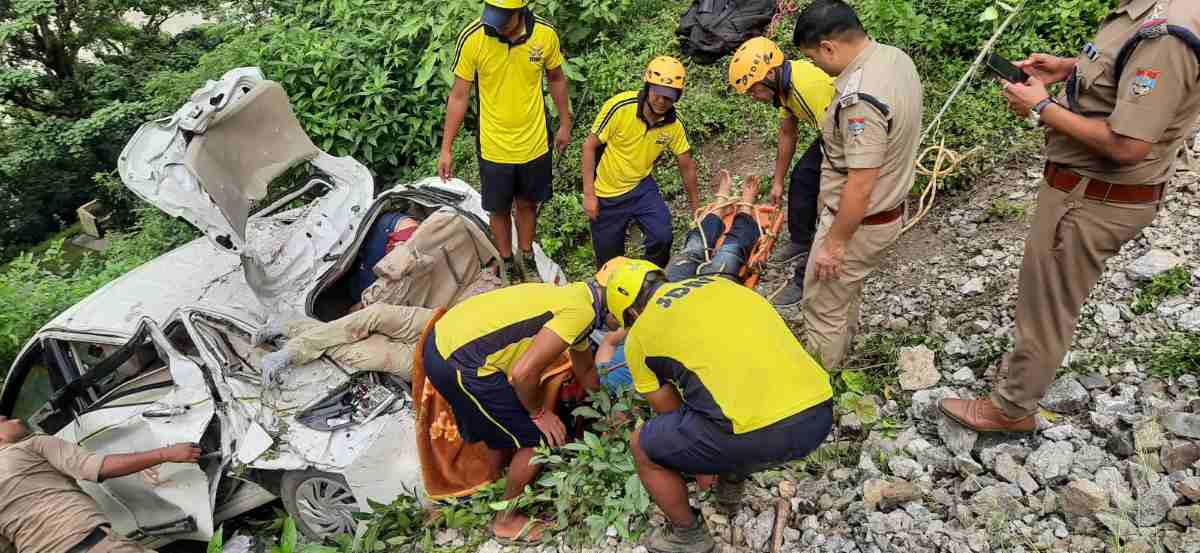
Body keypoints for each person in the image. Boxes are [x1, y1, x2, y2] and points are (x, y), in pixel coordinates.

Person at [941, 0, 1200, 432]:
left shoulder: (1165, 36)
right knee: (1049, 295)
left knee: (1047, 303)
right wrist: (1068, 68)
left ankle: (1011, 409)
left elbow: (1127, 145)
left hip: (1092, 199)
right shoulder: (1146, 12)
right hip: (1089, 191)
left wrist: (1042, 107)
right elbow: (1126, 75)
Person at [602, 259, 833, 553]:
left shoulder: (640, 337)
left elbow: (670, 412)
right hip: (819, 413)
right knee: (728, 398)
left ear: (633, 313)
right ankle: (730, 487)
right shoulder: (722, 284)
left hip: (760, 435)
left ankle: (687, 536)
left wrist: (699, 463)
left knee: (642, 447)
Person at [421, 279, 606, 543]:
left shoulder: (577, 297)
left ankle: (497, 483)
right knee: (539, 441)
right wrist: (540, 414)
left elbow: (586, 369)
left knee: (500, 426)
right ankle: (506, 521)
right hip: (462, 362)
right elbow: (522, 375)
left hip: (443, 343)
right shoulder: (582, 314)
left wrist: (607, 412)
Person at [792, 0, 923, 372]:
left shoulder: (859, 100)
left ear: (829, 46)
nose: (818, 67)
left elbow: (860, 184)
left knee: (821, 306)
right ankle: (842, 353)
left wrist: (834, 244)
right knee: (842, 297)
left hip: (858, 223)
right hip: (886, 212)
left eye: (815, 59)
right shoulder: (895, 59)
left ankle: (818, 388)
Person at [439, 0, 572, 284]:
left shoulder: (545, 35)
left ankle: (526, 255)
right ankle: (508, 261)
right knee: (498, 209)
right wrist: (446, 148)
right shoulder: (474, 37)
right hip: (493, 145)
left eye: (502, 17)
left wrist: (565, 121)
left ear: (520, 10)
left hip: (534, 141)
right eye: (492, 15)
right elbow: (459, 95)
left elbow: (556, 77)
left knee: (527, 203)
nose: (494, 23)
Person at [728, 36, 837, 306]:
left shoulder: (806, 87)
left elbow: (840, 140)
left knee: (829, 208)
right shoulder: (783, 91)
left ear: (771, 73)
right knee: (801, 178)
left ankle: (805, 279)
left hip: (845, 135)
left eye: (754, 90)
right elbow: (787, 133)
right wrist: (778, 182)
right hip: (831, 134)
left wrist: (831, 188)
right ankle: (800, 241)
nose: (753, 97)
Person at [0, 415, 201, 553]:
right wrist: (165, 454)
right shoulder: (32, 445)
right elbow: (100, 468)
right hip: (95, 546)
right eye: (5, 420)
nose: (17, 419)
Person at [583, 56, 701, 269]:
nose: (662, 101)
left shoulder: (674, 126)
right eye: (658, 93)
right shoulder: (620, 107)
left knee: (662, 236)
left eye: (669, 96)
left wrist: (696, 210)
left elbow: (687, 166)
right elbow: (589, 146)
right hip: (606, 194)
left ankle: (649, 278)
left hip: (641, 188)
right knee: (609, 264)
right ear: (648, 87)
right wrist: (589, 195)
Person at [665, 170, 763, 282]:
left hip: (670, 289)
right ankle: (744, 211)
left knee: (692, 249)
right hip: (706, 294)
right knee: (729, 254)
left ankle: (720, 209)